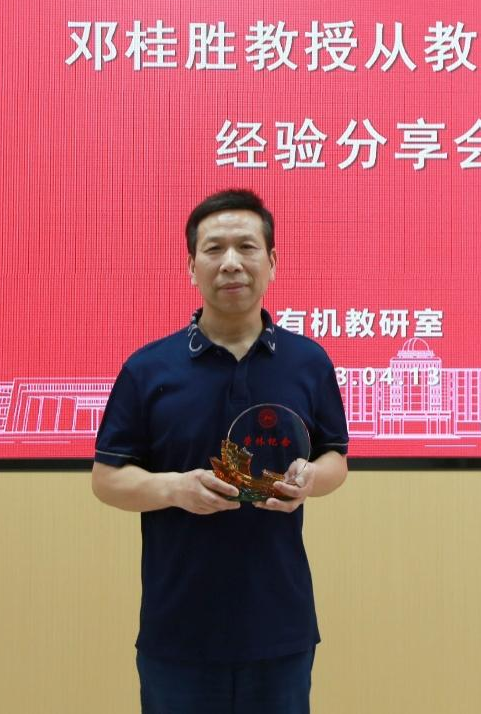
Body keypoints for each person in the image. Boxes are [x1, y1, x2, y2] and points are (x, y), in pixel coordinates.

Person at [92, 189, 349, 714]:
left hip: (280, 626)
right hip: (178, 630)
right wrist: (174, 489)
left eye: (246, 247)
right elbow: (107, 479)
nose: (231, 262)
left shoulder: (308, 361)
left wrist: (311, 479)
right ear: (192, 266)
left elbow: (336, 459)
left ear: (272, 261)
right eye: (214, 249)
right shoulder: (148, 369)